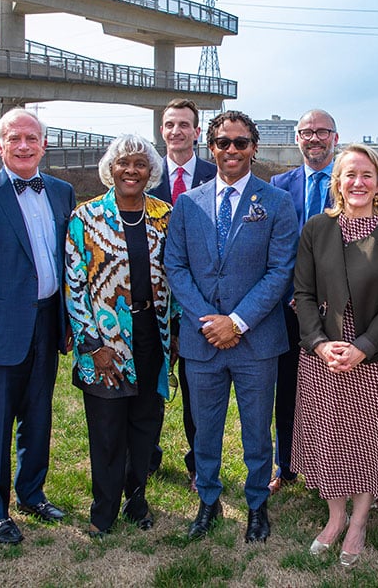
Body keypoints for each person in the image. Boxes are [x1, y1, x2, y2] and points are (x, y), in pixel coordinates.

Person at [164, 110, 298, 543]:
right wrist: (209, 321)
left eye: (241, 143)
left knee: (258, 430)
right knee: (205, 428)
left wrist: (236, 322)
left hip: (256, 340)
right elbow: (175, 266)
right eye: (224, 142)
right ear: (212, 147)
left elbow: (280, 272)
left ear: (253, 148)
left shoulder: (276, 203)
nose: (232, 150)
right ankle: (208, 500)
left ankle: (258, 503)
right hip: (202, 340)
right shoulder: (187, 203)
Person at [0, 108, 76, 545]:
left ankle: (32, 492)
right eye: (13, 138)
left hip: (47, 320)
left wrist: (68, 321)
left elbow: (69, 262)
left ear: (44, 143)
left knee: (38, 415)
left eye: (31, 138)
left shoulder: (62, 192)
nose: (23, 146)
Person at [292, 144, 378, 567]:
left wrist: (362, 348)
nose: (358, 183)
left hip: (374, 357)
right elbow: (303, 294)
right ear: (337, 183)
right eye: (349, 175)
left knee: (367, 441)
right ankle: (335, 515)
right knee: (330, 439)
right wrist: (320, 343)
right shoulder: (315, 229)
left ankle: (360, 519)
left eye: (366, 175)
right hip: (323, 353)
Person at [65, 135, 174, 536]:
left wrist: (174, 331)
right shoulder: (85, 217)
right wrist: (92, 345)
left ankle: (137, 500)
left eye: (140, 164)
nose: (132, 170)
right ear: (110, 168)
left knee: (146, 423)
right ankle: (103, 510)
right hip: (105, 341)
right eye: (124, 163)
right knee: (108, 428)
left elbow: (176, 275)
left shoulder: (165, 215)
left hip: (153, 334)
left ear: (151, 173)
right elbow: (74, 287)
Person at [268, 108, 340, 494]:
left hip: (337, 307)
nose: (313, 138)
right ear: (297, 139)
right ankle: (287, 463)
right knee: (288, 386)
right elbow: (278, 246)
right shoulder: (280, 184)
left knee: (333, 388)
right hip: (287, 306)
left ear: (335, 137)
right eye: (305, 132)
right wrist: (295, 294)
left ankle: (328, 465)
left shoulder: (348, 182)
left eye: (321, 132)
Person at [149, 98, 217, 491]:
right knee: (150, 386)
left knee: (197, 392)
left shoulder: (214, 175)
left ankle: (198, 462)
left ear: (197, 131)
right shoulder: (144, 173)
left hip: (200, 303)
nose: (177, 131)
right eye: (170, 124)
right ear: (162, 130)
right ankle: (148, 455)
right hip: (152, 298)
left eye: (185, 125)